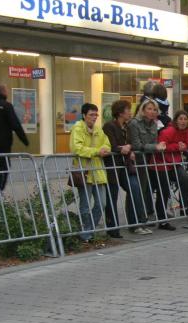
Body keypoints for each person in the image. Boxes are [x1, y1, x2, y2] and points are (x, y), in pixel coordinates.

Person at [102, 99, 151, 237]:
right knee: (112, 195)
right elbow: (110, 145)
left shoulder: (127, 126)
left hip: (125, 165)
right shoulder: (109, 126)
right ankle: (113, 229)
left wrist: (130, 149)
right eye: (128, 110)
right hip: (113, 165)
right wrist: (121, 149)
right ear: (120, 112)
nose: (130, 112)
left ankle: (136, 223)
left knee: (135, 188)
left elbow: (131, 143)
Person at [69, 103, 111, 242]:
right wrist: (97, 151)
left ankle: (89, 230)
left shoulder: (98, 129)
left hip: (98, 171)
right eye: (91, 114)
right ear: (84, 115)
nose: (94, 117)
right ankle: (86, 234)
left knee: (101, 203)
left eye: (96, 114)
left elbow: (107, 143)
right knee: (85, 205)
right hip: (84, 171)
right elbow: (77, 148)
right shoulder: (77, 128)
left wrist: (104, 149)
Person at [0, 84, 30, 203]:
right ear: (3, 92)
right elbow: (15, 124)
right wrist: (25, 140)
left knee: (1, 165)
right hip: (4, 142)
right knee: (3, 167)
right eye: (6, 90)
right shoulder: (7, 106)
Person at [129, 97, 169, 227]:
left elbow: (154, 142)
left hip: (148, 160)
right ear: (143, 109)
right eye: (149, 109)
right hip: (136, 160)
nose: (152, 112)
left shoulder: (154, 124)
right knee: (138, 190)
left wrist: (157, 146)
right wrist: (155, 147)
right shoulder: (134, 123)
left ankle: (144, 217)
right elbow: (136, 145)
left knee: (146, 189)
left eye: (154, 109)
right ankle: (137, 221)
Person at [157, 110, 188, 222]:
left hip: (175, 162)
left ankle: (185, 207)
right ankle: (161, 216)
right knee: (163, 189)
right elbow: (162, 146)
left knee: (186, 179)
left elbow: (186, 144)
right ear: (176, 120)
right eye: (181, 119)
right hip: (162, 162)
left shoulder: (187, 131)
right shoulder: (169, 131)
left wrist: (183, 147)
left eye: (185, 119)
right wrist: (177, 147)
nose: (183, 121)